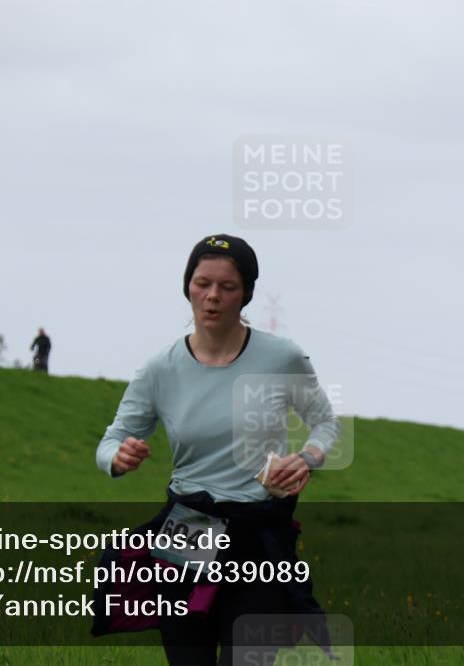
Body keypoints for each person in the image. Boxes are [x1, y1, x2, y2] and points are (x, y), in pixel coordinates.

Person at [89, 234, 340, 666]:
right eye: (202, 283)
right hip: (188, 531)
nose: (212, 296)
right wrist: (117, 457)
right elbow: (110, 441)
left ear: (246, 294)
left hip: (259, 535)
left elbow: (326, 424)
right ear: (187, 286)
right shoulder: (160, 369)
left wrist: (307, 459)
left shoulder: (281, 358)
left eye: (227, 286)